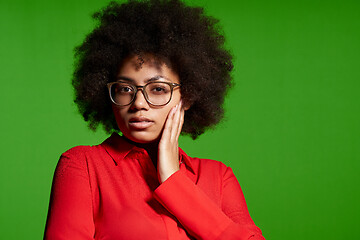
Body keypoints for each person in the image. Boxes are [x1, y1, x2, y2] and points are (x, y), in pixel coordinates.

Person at [44, 0, 266, 239]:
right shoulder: (83, 166)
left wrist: (173, 180)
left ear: (188, 96)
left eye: (158, 89)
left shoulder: (218, 177)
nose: (139, 103)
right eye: (125, 89)